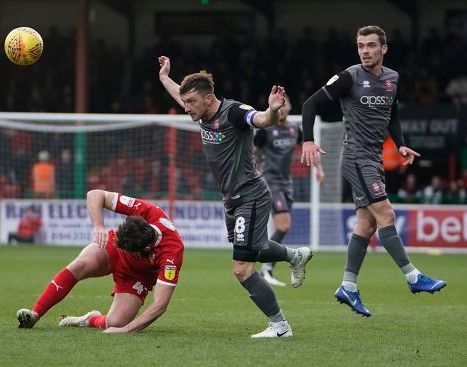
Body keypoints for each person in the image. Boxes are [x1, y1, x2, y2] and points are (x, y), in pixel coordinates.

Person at [158, 55, 312, 338]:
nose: (186, 107)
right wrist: (164, 77)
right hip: (232, 198)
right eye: (186, 101)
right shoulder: (200, 110)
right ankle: (295, 255)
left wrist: (272, 111)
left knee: (241, 268)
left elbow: (261, 119)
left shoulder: (233, 112)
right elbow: (181, 96)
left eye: (191, 102)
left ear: (209, 98)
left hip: (251, 194)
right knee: (256, 247)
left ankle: (280, 326)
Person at [301, 25, 446, 317]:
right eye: (360, 46)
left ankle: (348, 285)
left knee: (366, 225)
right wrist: (308, 140)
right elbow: (310, 104)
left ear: (384, 48)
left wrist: (401, 144)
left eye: (370, 45)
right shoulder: (348, 77)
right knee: (387, 214)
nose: (365, 51)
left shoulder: (393, 79)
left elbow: (391, 113)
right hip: (356, 157)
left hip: (374, 158)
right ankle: (413, 276)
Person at [16, 189, 184, 333]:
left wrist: (125, 330)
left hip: (137, 276)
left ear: (146, 249)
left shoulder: (172, 253)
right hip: (114, 248)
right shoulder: (145, 210)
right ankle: (35, 314)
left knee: (115, 323)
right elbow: (95, 194)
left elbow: (160, 304)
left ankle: (91, 319)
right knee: (80, 265)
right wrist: (98, 226)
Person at [254, 96, 325, 287]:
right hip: (270, 182)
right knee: (284, 225)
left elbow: (308, 149)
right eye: (280, 105)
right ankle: (267, 267)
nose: (283, 108)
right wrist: (256, 171)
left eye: (286, 104)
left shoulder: (295, 129)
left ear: (290, 107)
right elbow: (254, 150)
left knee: (283, 227)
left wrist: (319, 169)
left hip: (287, 184)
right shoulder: (266, 130)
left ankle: (267, 265)